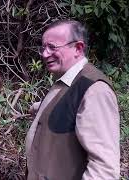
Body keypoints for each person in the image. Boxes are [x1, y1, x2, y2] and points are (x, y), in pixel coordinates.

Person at [25, 19, 120, 180]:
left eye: (52, 47)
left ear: (78, 48)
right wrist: (39, 108)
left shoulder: (94, 90)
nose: (44, 53)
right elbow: (67, 108)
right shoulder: (67, 79)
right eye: (43, 47)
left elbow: (104, 170)